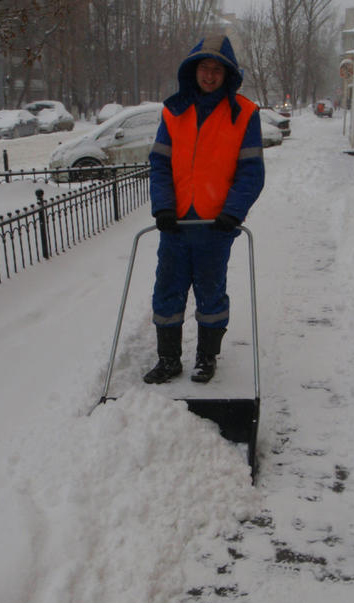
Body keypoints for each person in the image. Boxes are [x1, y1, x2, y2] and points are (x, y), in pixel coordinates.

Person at [144, 34, 265, 385]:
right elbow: (160, 165)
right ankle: (168, 359)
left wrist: (233, 211)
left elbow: (251, 172)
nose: (210, 75)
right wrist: (163, 206)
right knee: (167, 289)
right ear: (193, 71)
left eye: (217, 69)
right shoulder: (173, 111)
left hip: (215, 225)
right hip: (176, 224)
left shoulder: (244, 114)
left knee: (211, 292)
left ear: (227, 74)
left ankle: (206, 358)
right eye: (204, 68)